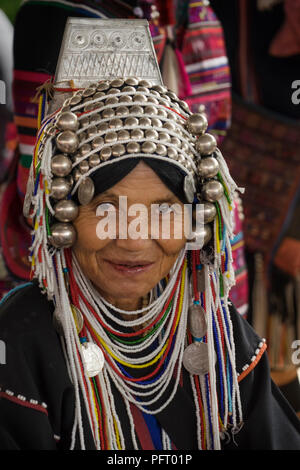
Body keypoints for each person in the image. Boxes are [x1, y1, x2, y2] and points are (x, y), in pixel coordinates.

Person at [0, 18, 300, 451]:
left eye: (163, 213)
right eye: (107, 209)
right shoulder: (19, 341)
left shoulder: (217, 331)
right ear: (61, 217)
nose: (136, 239)